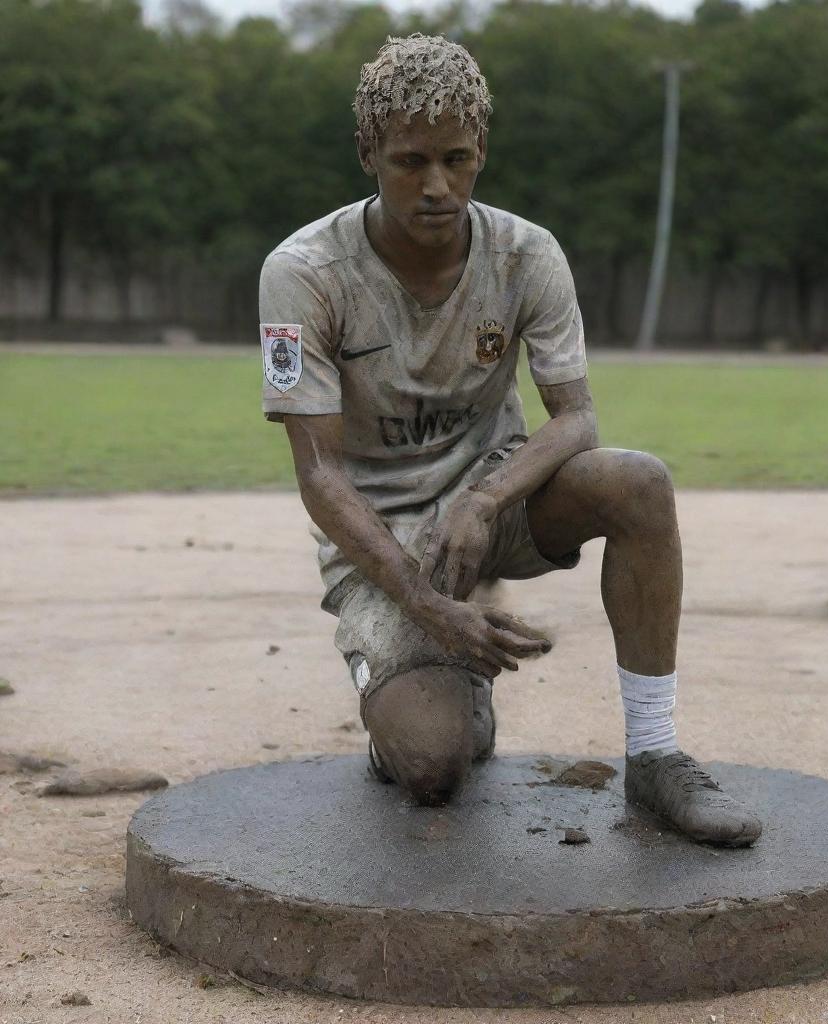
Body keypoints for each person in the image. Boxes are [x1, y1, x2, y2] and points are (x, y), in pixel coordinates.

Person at [259, 34, 761, 846]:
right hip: (385, 537)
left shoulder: (528, 254)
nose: (436, 187)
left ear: (482, 149)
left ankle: (656, 755)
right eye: (409, 161)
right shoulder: (304, 272)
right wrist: (426, 605)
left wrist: (488, 497)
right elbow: (318, 472)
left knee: (638, 482)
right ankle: (437, 681)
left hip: (499, 500)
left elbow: (577, 418)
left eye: (457, 159)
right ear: (366, 153)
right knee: (432, 769)